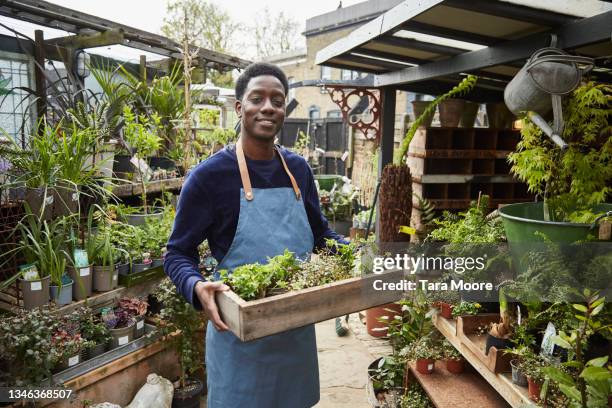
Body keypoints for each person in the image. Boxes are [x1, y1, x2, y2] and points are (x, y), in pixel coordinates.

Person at [164, 62, 347, 408]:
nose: (268, 107)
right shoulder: (209, 177)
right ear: (239, 107)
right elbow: (177, 252)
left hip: (295, 331)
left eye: (277, 100)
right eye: (257, 98)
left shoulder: (298, 170)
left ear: (283, 110)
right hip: (238, 339)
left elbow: (321, 235)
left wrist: (359, 256)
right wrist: (195, 286)